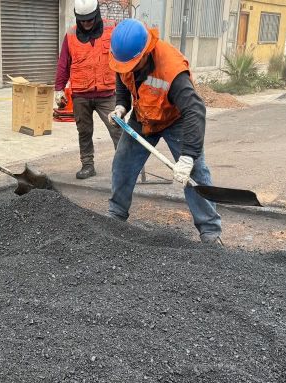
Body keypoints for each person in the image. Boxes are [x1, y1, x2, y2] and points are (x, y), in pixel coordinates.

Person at [106, 19, 223, 244]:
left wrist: (188, 156)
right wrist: (121, 105)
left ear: (145, 53)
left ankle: (210, 230)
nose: (127, 69)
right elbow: (122, 77)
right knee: (122, 163)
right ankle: (116, 214)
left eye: (132, 64)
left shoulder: (172, 68)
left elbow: (195, 111)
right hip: (144, 116)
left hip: (174, 119)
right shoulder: (124, 58)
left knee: (196, 172)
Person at [55, 0, 122, 180]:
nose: (86, 24)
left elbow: (123, 55)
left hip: (107, 93)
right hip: (81, 94)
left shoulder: (112, 29)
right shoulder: (70, 35)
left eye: (89, 20)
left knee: (117, 129)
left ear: (97, 14)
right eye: (82, 20)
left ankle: (125, 166)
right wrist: (59, 89)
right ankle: (87, 165)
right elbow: (63, 63)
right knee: (84, 131)